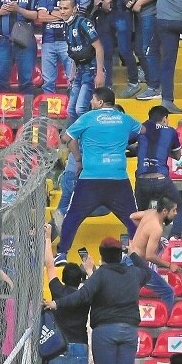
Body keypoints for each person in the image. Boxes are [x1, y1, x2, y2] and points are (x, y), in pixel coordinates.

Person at [47, 238, 149, 364]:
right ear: (121, 254)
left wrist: (57, 304)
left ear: (102, 256)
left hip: (105, 331)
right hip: (129, 330)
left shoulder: (100, 275)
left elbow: (81, 296)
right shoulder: (133, 273)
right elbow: (147, 271)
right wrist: (133, 254)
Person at [56, 88, 141, 256]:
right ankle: (139, 252)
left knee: (71, 215)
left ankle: (61, 254)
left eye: (93, 99)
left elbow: (66, 138)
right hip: (117, 177)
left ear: (100, 102)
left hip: (89, 177)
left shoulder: (87, 117)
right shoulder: (124, 119)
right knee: (132, 218)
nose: (91, 102)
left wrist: (78, 159)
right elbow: (143, 133)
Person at [133, 106, 182, 239]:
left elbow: (129, 144)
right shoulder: (170, 131)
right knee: (179, 209)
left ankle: (141, 241)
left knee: (142, 213)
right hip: (161, 179)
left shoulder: (140, 128)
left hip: (142, 180)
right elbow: (178, 156)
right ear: (164, 119)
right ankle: (174, 237)